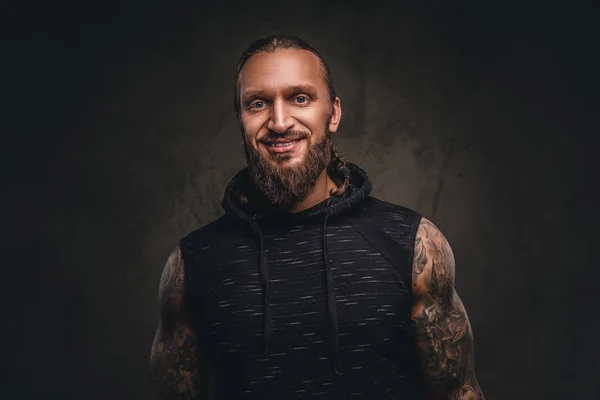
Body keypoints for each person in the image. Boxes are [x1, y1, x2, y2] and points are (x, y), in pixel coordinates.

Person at [149, 35, 485, 400]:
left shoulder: (413, 246)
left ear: (334, 113)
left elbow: (458, 391)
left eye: (300, 98)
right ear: (241, 119)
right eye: (258, 103)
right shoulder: (192, 264)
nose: (279, 122)